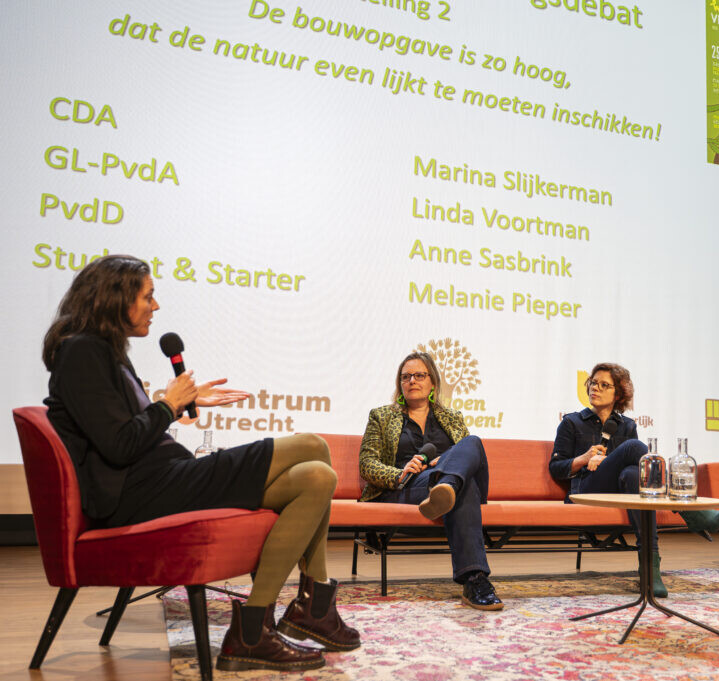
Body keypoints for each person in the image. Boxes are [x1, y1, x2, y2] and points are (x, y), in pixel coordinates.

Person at [42, 255, 358, 672]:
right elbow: (119, 446)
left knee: (318, 477)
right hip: (144, 493)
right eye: (148, 296)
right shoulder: (81, 352)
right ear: (114, 298)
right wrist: (169, 405)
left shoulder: (103, 351)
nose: (155, 307)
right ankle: (310, 611)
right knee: (312, 445)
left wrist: (170, 406)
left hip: (163, 481)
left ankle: (253, 630)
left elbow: (122, 431)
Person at [358, 351, 502, 610]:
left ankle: (447, 485)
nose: (412, 380)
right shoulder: (381, 416)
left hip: (441, 485)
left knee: (472, 443)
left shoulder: (452, 417)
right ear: (400, 384)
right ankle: (475, 580)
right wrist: (400, 472)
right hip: (409, 487)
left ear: (433, 382)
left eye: (419, 375)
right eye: (406, 377)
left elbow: (469, 457)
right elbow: (367, 464)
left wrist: (446, 461)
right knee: (464, 487)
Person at [549, 363, 670, 597]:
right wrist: (584, 459)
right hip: (585, 491)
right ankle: (681, 505)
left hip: (618, 492)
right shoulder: (572, 422)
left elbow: (634, 470)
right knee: (633, 447)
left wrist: (606, 462)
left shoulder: (628, 425)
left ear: (618, 394)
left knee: (633, 474)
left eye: (604, 385)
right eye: (593, 383)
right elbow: (556, 468)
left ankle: (650, 569)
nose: (596, 388)